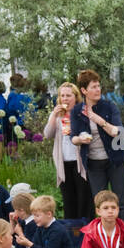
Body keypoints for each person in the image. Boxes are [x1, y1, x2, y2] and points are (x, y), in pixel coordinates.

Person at [70, 69, 124, 230]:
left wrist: (99, 121)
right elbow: (73, 138)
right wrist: (80, 140)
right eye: (94, 87)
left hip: (115, 160)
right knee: (100, 201)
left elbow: (117, 131)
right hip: (93, 163)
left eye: (98, 86)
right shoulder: (77, 111)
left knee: (121, 201)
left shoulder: (109, 106)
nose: (98, 90)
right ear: (84, 91)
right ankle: (105, 235)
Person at [43, 81, 95, 222]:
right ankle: (71, 231)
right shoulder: (57, 115)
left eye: (68, 95)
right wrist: (53, 116)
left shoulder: (82, 113)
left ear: (76, 97)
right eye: (62, 95)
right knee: (68, 198)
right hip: (64, 161)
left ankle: (85, 230)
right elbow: (48, 134)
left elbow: (89, 133)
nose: (65, 98)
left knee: (83, 197)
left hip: (80, 161)